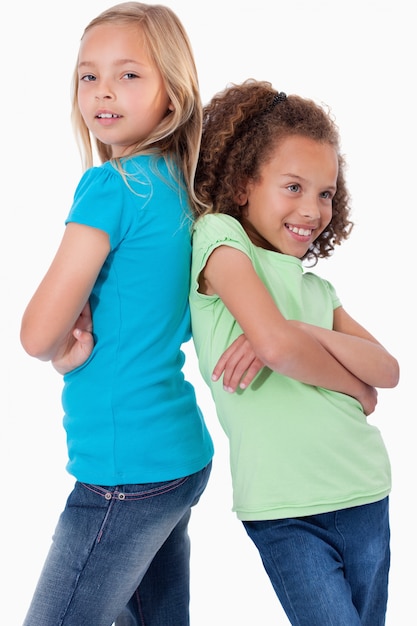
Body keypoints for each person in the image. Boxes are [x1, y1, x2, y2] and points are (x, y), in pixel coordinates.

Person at [19, 4, 253, 625]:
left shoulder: (112, 188)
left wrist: (58, 349)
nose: (102, 91)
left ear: (172, 97)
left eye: (128, 75)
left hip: (123, 473)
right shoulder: (183, 187)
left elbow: (37, 332)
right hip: (176, 458)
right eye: (87, 75)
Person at [189, 79, 400, 626]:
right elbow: (278, 347)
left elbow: (390, 370)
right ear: (242, 185)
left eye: (326, 193)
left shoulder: (315, 292)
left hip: (364, 492)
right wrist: (351, 383)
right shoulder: (219, 241)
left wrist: (309, 333)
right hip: (285, 512)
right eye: (293, 187)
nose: (313, 208)